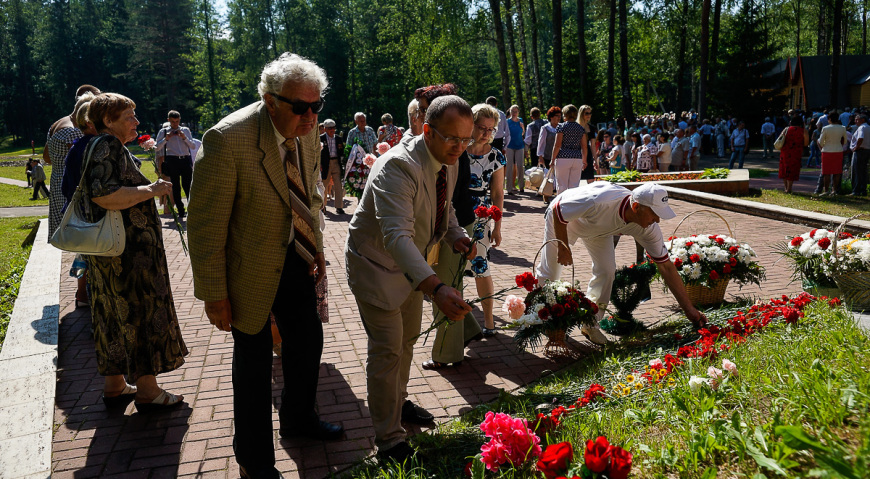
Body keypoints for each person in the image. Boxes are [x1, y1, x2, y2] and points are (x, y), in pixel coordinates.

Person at [188, 53, 340, 479]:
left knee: (307, 344)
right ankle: (255, 461)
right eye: (300, 107)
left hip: (295, 261)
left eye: (317, 106)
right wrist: (214, 295)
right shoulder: (226, 139)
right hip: (248, 272)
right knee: (253, 369)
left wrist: (317, 248)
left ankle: (299, 421)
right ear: (270, 101)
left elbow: (308, 193)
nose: (311, 117)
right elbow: (205, 227)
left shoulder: (305, 131)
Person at [345, 95, 476, 464]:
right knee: (387, 349)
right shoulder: (397, 167)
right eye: (453, 138)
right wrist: (435, 288)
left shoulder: (448, 158)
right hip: (377, 266)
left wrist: (455, 235)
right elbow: (396, 237)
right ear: (428, 130)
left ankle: (398, 405)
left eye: (466, 140)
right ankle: (388, 441)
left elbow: (444, 206)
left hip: (413, 269)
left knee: (407, 342)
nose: (460, 147)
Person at [81, 92, 188, 413]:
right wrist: (151, 189)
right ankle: (148, 390)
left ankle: (115, 385)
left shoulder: (99, 145)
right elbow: (105, 195)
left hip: (112, 254)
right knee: (140, 314)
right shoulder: (107, 145)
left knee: (113, 315)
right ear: (108, 121)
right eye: (129, 116)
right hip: (129, 259)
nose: (136, 121)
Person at [535, 182, 708, 344]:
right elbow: (559, 211)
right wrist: (563, 248)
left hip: (599, 230)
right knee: (551, 271)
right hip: (565, 221)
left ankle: (590, 322)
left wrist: (689, 311)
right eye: (655, 213)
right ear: (636, 207)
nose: (657, 220)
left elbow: (666, 267)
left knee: (607, 271)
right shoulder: (600, 201)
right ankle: (543, 319)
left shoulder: (648, 227)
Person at [424, 103, 505, 369]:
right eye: (480, 128)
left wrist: (497, 225)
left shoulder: (493, 156)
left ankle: (479, 330)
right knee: (451, 277)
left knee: (468, 273)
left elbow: (498, 194)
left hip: (473, 219)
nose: (484, 133)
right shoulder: (459, 150)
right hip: (453, 217)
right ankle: (469, 327)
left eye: (489, 130)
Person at [45, 84, 101, 236]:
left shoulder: (58, 122)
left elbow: (46, 157)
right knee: (73, 232)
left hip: (57, 179)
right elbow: (81, 161)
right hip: (69, 183)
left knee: (63, 230)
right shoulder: (73, 131)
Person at [60, 92, 99, 308]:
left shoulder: (75, 146)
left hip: (78, 214)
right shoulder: (99, 146)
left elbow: (66, 186)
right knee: (87, 255)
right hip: (95, 216)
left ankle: (80, 292)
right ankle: (85, 293)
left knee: (81, 255)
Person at [155, 110, 196, 219]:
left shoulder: (185, 130)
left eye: (177, 121)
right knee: (176, 187)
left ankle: (192, 210)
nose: (175, 124)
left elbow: (192, 146)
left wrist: (184, 137)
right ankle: (181, 210)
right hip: (172, 160)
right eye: (173, 122)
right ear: (168, 120)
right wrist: (166, 139)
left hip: (185, 159)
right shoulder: (163, 132)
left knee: (188, 186)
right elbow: (157, 148)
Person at [551, 104, 586, 194]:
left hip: (563, 157)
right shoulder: (581, 128)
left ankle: (561, 206)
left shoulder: (561, 127)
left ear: (565, 115)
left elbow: (557, 145)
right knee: (574, 186)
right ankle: (572, 206)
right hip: (577, 158)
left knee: (562, 185)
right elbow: (584, 146)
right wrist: (584, 160)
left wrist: (552, 159)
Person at [778, 116, 809, 194]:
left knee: (785, 169)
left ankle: (785, 188)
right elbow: (806, 143)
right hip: (796, 152)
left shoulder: (787, 129)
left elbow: (780, 139)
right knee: (792, 169)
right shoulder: (803, 131)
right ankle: (789, 188)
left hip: (785, 151)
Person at [320, 118, 346, 214]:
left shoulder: (338, 138)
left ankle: (339, 207)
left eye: (333, 128)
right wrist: (319, 165)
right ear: (325, 129)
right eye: (330, 128)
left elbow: (341, 152)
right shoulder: (321, 138)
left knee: (338, 185)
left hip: (336, 163)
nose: (332, 130)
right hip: (325, 164)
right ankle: (323, 206)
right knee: (324, 186)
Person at [817, 115, 847, 195]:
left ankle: (826, 190)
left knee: (826, 172)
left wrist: (823, 145)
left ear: (830, 119)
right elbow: (845, 140)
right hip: (838, 151)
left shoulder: (825, 128)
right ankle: (834, 191)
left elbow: (820, 141)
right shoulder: (843, 128)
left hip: (827, 151)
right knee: (837, 172)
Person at [504, 105, 525, 194]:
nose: (514, 113)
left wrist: (523, 127)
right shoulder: (507, 121)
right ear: (510, 111)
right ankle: (509, 188)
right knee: (509, 166)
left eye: (516, 111)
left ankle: (521, 186)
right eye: (512, 111)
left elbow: (523, 133)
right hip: (509, 146)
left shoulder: (521, 120)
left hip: (520, 146)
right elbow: (505, 134)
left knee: (520, 166)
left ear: (518, 112)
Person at [850, 114, 869, 196]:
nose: (855, 121)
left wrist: (856, 147)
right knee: (863, 171)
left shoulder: (861, 128)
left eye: (857, 119)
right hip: (867, 150)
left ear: (863, 120)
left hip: (860, 151)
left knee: (856, 171)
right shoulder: (868, 127)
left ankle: (855, 190)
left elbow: (860, 138)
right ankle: (863, 190)